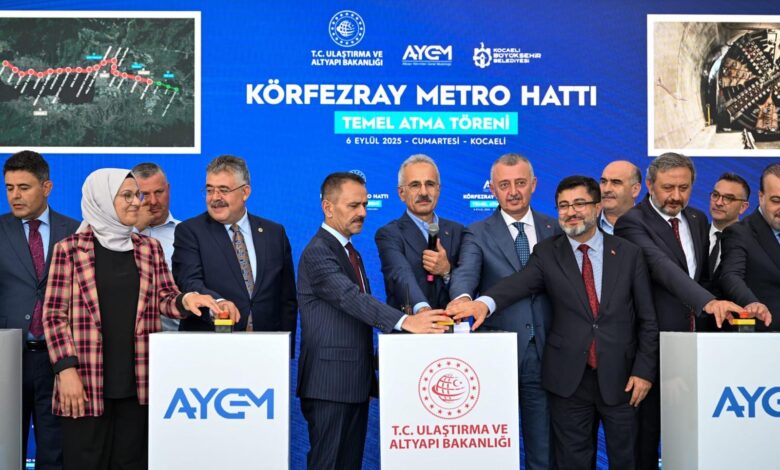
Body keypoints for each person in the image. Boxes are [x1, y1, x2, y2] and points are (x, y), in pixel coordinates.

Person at [449, 176, 659, 470]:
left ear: (597, 206)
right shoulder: (547, 252)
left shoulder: (628, 253)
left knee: (627, 461)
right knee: (572, 462)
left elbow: (647, 319)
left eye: (579, 204)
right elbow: (518, 284)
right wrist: (483, 303)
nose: (571, 212)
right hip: (569, 381)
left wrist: (644, 371)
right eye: (563, 205)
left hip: (622, 378)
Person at [43, 168, 233, 469]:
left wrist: (186, 300)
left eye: (137, 195)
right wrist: (66, 370)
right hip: (84, 383)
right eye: (127, 195)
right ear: (102, 200)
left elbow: (165, 297)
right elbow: (53, 315)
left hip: (138, 384)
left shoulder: (148, 248)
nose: (137, 202)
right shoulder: (69, 250)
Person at [613, 152, 759, 470]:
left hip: (694, 354)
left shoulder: (696, 219)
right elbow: (662, 267)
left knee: (693, 442)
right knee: (644, 443)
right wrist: (708, 302)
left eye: (684, 188)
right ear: (649, 185)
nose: (676, 196)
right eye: (668, 188)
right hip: (649, 354)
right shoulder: (631, 223)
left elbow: (701, 276)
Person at [296, 172, 450, 470]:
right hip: (330, 386)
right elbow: (350, 298)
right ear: (328, 207)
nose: (363, 213)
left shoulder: (349, 251)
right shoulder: (318, 252)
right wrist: (406, 321)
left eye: (365, 205)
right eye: (353, 205)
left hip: (354, 382)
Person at [448, 152, 559, 470]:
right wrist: (463, 300)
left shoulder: (555, 228)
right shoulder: (477, 232)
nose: (513, 192)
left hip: (548, 354)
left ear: (534, 184)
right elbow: (465, 274)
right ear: (492, 189)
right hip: (496, 356)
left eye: (520, 183)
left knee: (543, 452)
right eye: (504, 185)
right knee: (492, 451)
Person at [1, 150, 79, 469]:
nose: (15, 196)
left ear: (47, 187)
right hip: (7, 359)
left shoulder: (75, 231)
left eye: (24, 187)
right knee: (5, 450)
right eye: (9, 188)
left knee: (55, 452)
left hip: (57, 359)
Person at [173, 155, 298, 340]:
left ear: (245, 192)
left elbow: (286, 300)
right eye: (209, 190)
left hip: (266, 346)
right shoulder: (190, 231)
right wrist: (218, 302)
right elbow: (189, 281)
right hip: (211, 343)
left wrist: (285, 348)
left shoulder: (274, 233)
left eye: (224, 190)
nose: (215, 198)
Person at [375, 154, 465, 313]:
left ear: (438, 189)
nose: (423, 192)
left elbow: (468, 281)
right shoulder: (389, 234)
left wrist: (446, 271)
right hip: (411, 326)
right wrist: (423, 310)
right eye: (415, 185)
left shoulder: (458, 231)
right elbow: (401, 276)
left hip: (452, 326)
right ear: (401, 193)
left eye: (430, 184)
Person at [719, 163, 779, 332]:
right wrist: (752, 303)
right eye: (776, 201)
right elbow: (731, 276)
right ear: (761, 197)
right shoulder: (739, 233)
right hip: (763, 337)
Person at [132, 162, 181, 331]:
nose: (153, 201)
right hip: (130, 337)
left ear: (168, 189)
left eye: (159, 192)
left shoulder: (187, 233)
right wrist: (135, 228)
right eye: (144, 194)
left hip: (177, 334)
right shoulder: (115, 237)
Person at [707, 172, 750, 278]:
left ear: (743, 207)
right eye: (715, 195)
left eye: (728, 198)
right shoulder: (694, 233)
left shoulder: (751, 245)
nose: (718, 203)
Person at [598, 160, 642, 234]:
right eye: (603, 182)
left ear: (635, 190)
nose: (606, 189)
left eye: (616, 183)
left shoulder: (653, 228)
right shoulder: (584, 226)